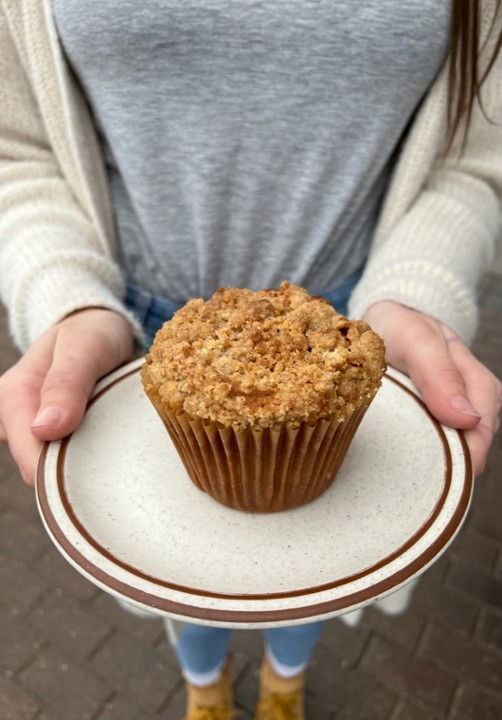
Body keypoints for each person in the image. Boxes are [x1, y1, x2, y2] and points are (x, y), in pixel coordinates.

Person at [1, 1, 501, 718]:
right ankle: (205, 691)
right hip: (137, 334)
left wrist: (418, 290)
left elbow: (475, 151)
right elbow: (14, 146)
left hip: (354, 326)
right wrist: (65, 296)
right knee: (184, 573)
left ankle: (284, 684)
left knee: (317, 563)